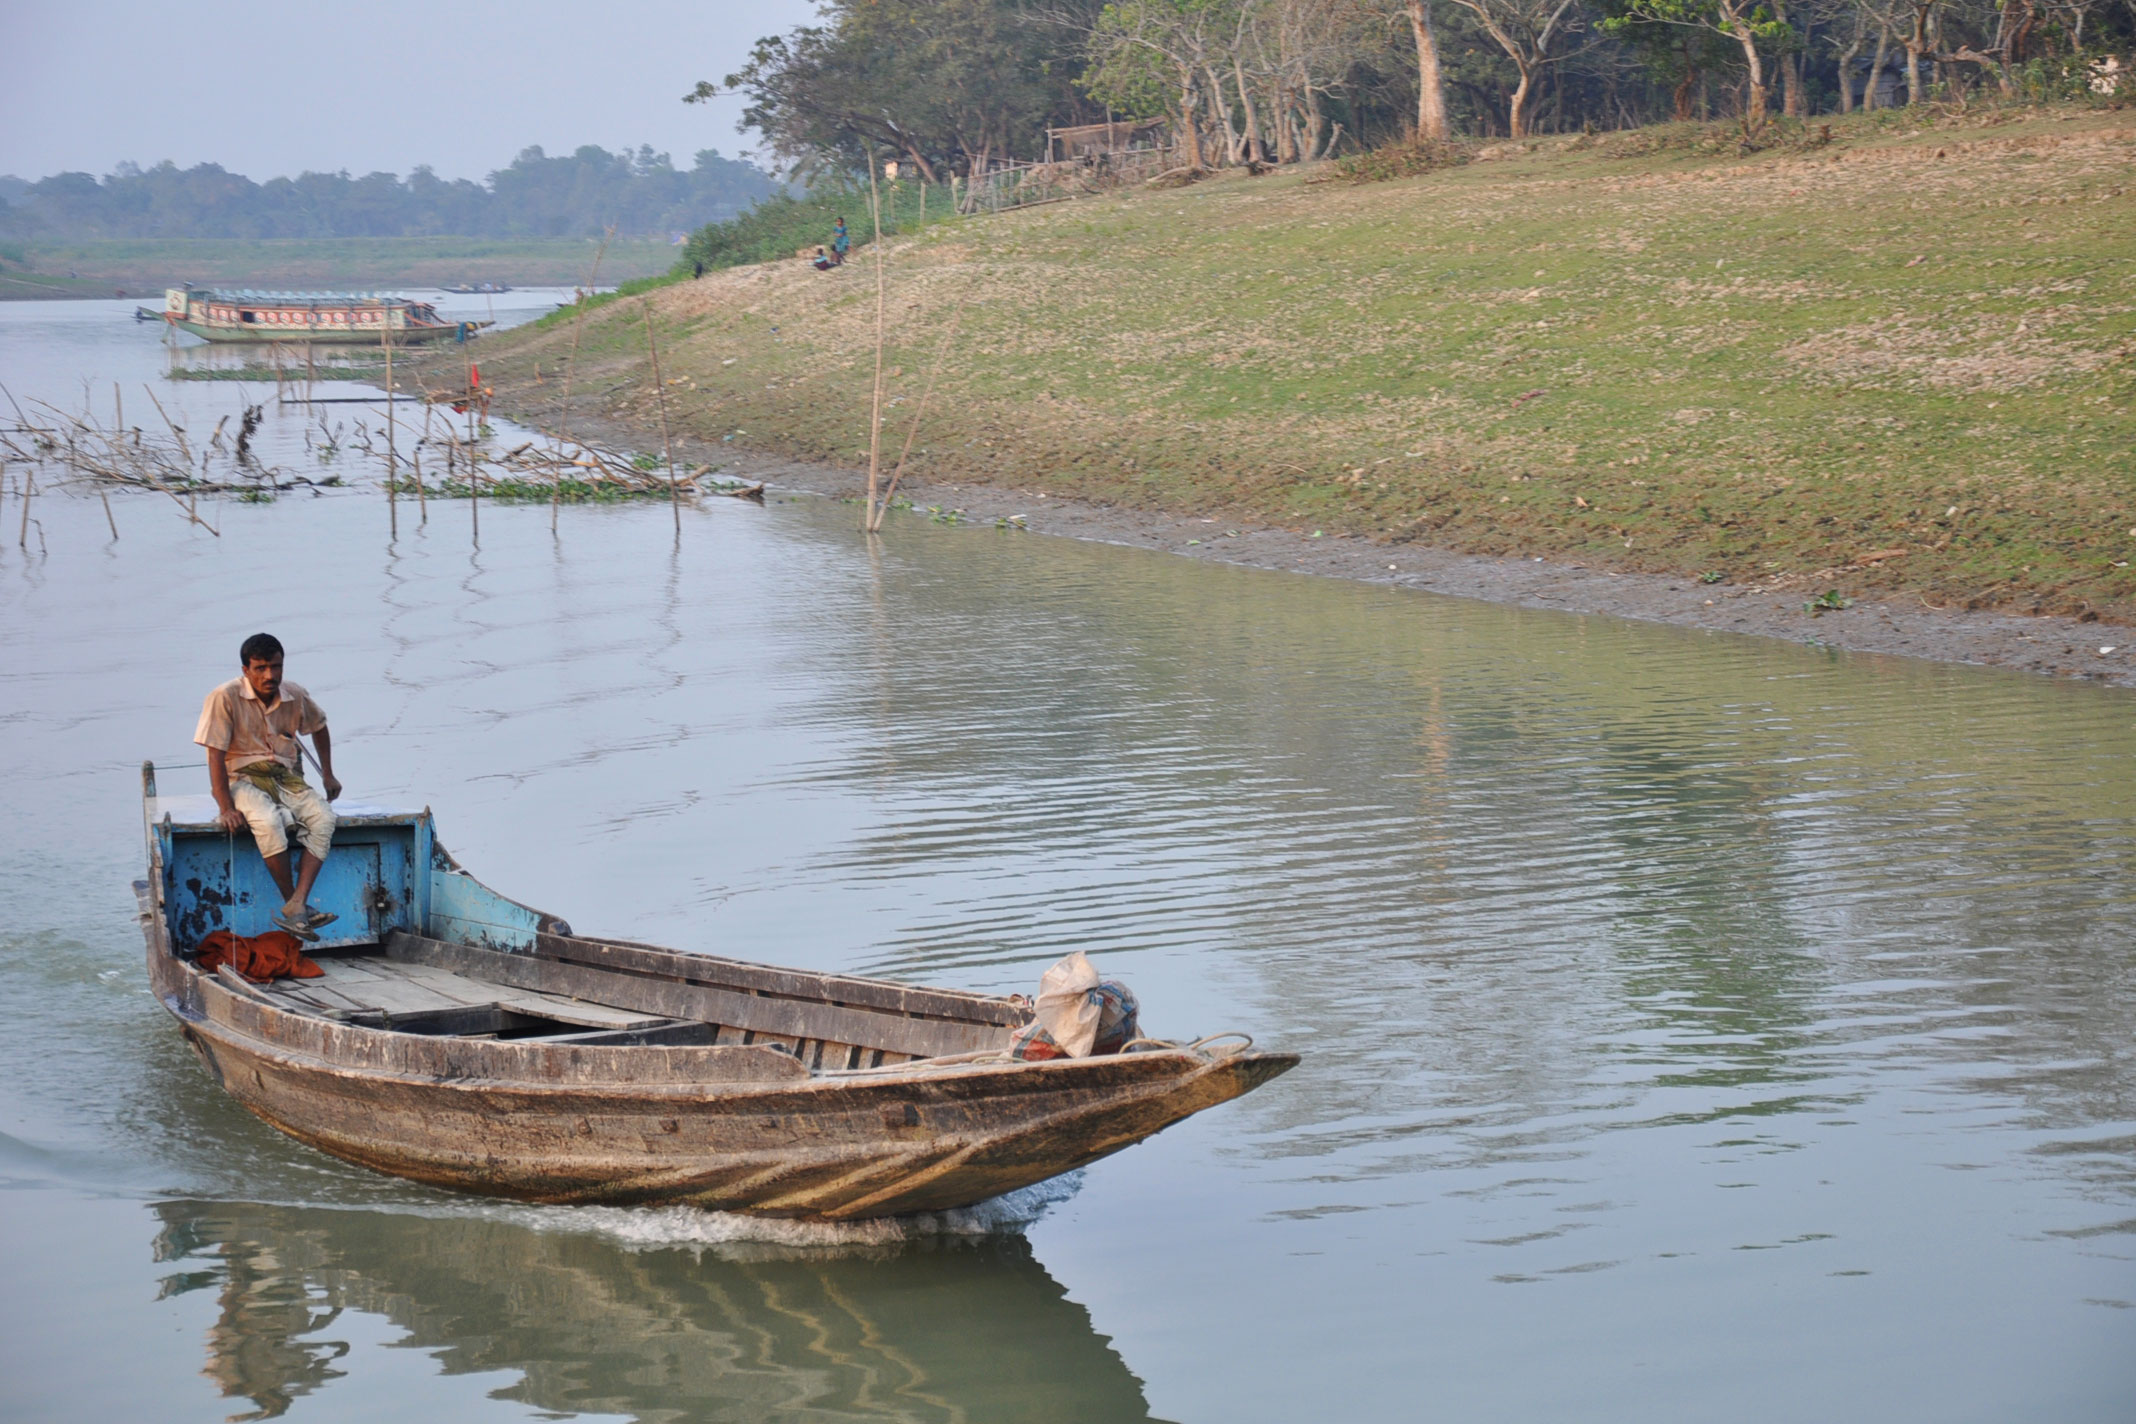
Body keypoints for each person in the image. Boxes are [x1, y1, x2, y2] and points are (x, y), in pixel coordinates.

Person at [195, 633, 342, 939]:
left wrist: (328, 774)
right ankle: (296, 905)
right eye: (260, 668)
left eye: (276, 667)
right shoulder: (225, 696)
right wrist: (226, 807)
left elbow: (319, 727)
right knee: (269, 821)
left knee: (324, 818)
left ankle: (297, 904)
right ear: (246, 669)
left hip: (283, 775)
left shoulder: (294, 694)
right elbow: (215, 755)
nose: (270, 676)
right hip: (241, 778)